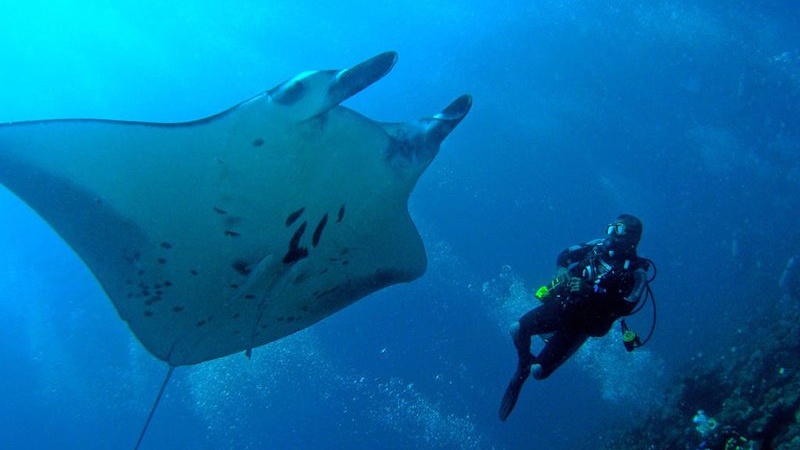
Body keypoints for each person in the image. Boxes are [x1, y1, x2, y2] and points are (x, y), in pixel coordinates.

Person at [499, 214, 651, 421]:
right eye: (611, 228)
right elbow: (565, 256)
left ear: (633, 238)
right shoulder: (599, 246)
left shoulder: (636, 272)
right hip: (564, 305)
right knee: (517, 328)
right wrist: (562, 270)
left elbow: (626, 306)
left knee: (538, 372)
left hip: (583, 323)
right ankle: (522, 366)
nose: (612, 235)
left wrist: (591, 292)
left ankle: (542, 357)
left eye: (620, 230)